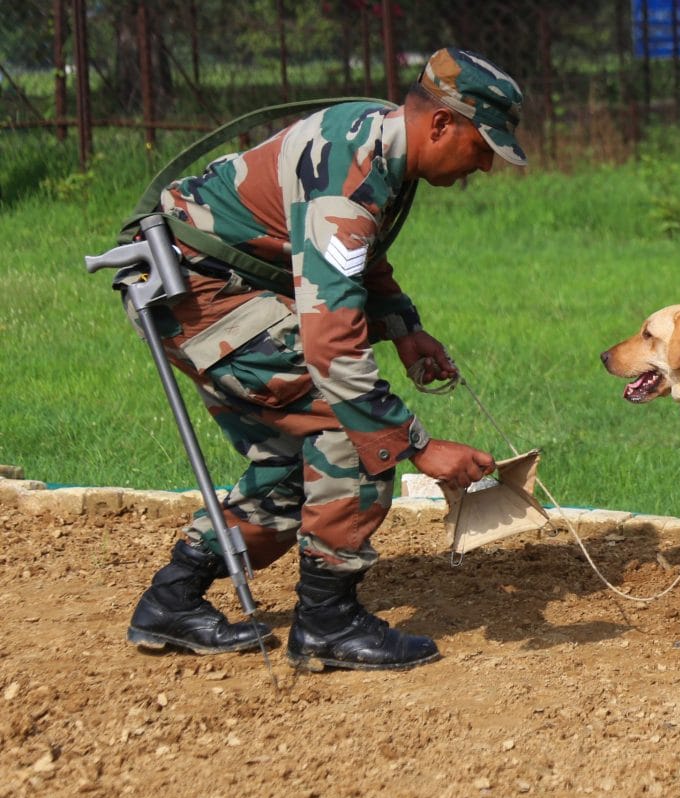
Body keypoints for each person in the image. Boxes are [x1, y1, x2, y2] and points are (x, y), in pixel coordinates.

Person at [122, 48, 526, 671]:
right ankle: (327, 624)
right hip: (201, 293)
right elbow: (331, 344)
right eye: (481, 148)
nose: (485, 167)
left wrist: (402, 328)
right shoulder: (354, 171)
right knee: (354, 434)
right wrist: (418, 446)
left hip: (221, 285)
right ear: (441, 125)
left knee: (298, 462)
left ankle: (171, 602)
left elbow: (352, 254)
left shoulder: (380, 143)